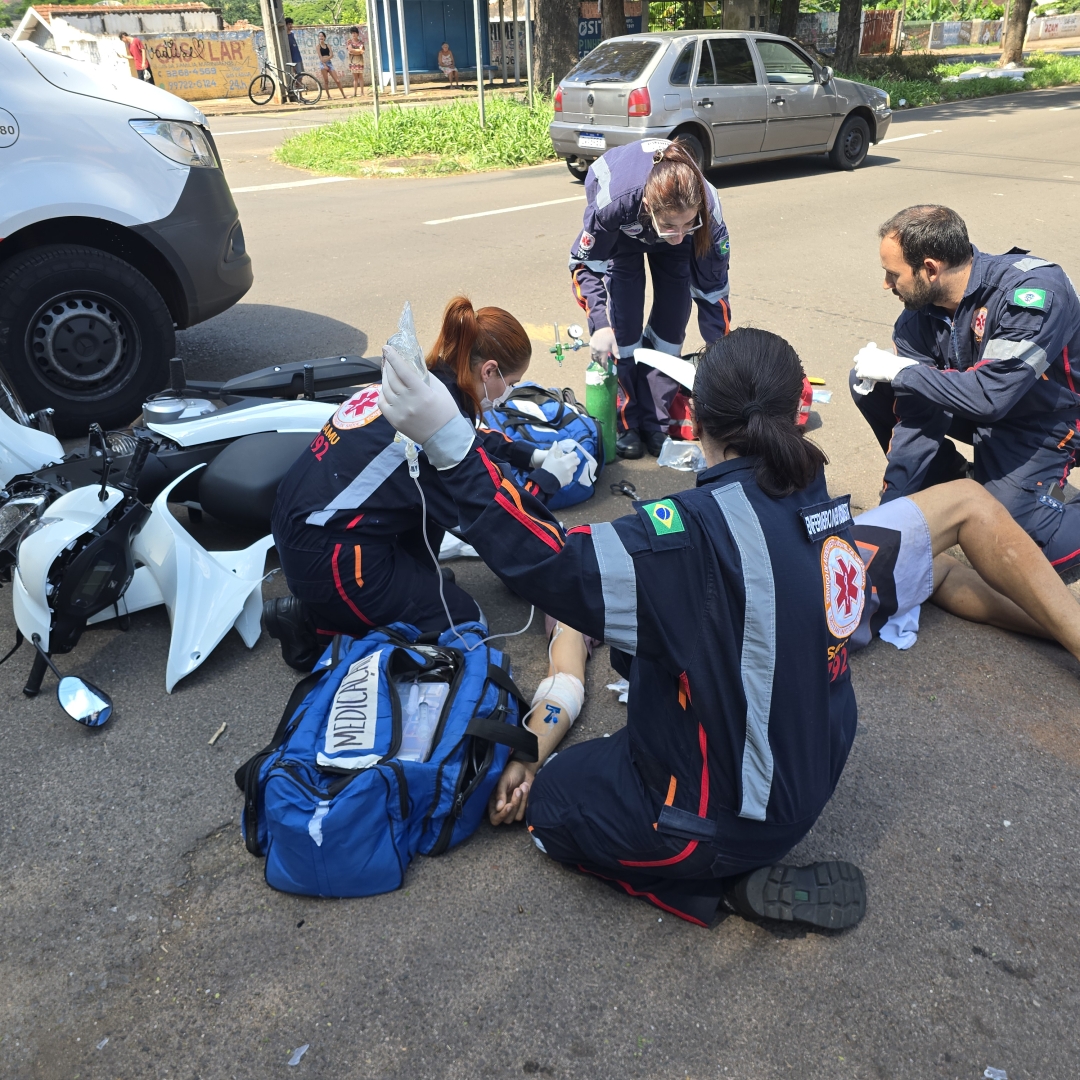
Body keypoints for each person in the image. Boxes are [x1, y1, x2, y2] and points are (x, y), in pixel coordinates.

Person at [381, 324, 1080, 930]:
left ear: (695, 419)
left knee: (553, 807)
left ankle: (709, 889)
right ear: (795, 413)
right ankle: (715, 854)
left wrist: (449, 443)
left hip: (724, 820)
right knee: (653, 714)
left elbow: (551, 566)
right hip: (814, 775)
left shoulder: (690, 538)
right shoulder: (823, 502)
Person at [265, 298, 582, 671]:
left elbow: (466, 440)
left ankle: (394, 588)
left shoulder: (419, 382)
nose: (509, 392)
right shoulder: (425, 430)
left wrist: (531, 455)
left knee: (424, 515)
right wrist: (546, 481)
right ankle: (313, 625)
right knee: (465, 626)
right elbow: (491, 518)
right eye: (509, 383)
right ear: (489, 371)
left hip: (306, 526)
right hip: (331, 558)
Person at [850, 205, 1080, 575]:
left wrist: (906, 372)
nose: (886, 285)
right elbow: (916, 414)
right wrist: (891, 511)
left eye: (893, 275)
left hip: (1046, 422)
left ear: (930, 269)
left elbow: (991, 396)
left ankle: (1030, 500)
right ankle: (956, 483)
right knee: (872, 385)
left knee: (1021, 556)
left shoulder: (1032, 292)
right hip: (980, 409)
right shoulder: (918, 314)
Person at [569, 138, 731, 460]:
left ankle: (656, 421)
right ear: (648, 207)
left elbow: (714, 291)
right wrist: (600, 324)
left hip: (666, 223)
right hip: (624, 233)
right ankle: (627, 421)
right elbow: (584, 264)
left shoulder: (706, 218)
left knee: (673, 322)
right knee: (623, 325)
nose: (680, 233)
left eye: (689, 223)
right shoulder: (615, 204)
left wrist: (722, 351)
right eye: (671, 224)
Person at [315, 32, 346, 99]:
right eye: (319, 36)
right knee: (326, 81)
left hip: (329, 63)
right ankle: (328, 96)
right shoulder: (318, 47)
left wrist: (326, 58)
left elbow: (332, 55)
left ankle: (343, 95)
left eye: (322, 36)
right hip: (322, 64)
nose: (321, 37)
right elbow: (320, 57)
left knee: (337, 80)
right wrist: (324, 64)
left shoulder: (328, 45)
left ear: (324, 37)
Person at [347, 26, 365, 97]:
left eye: (355, 33)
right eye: (352, 33)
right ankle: (354, 93)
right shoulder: (349, 42)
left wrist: (354, 51)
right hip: (352, 61)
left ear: (357, 34)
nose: (354, 35)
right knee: (355, 78)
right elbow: (350, 50)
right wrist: (358, 51)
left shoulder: (361, 42)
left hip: (360, 61)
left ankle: (362, 92)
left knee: (360, 76)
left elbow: (362, 51)